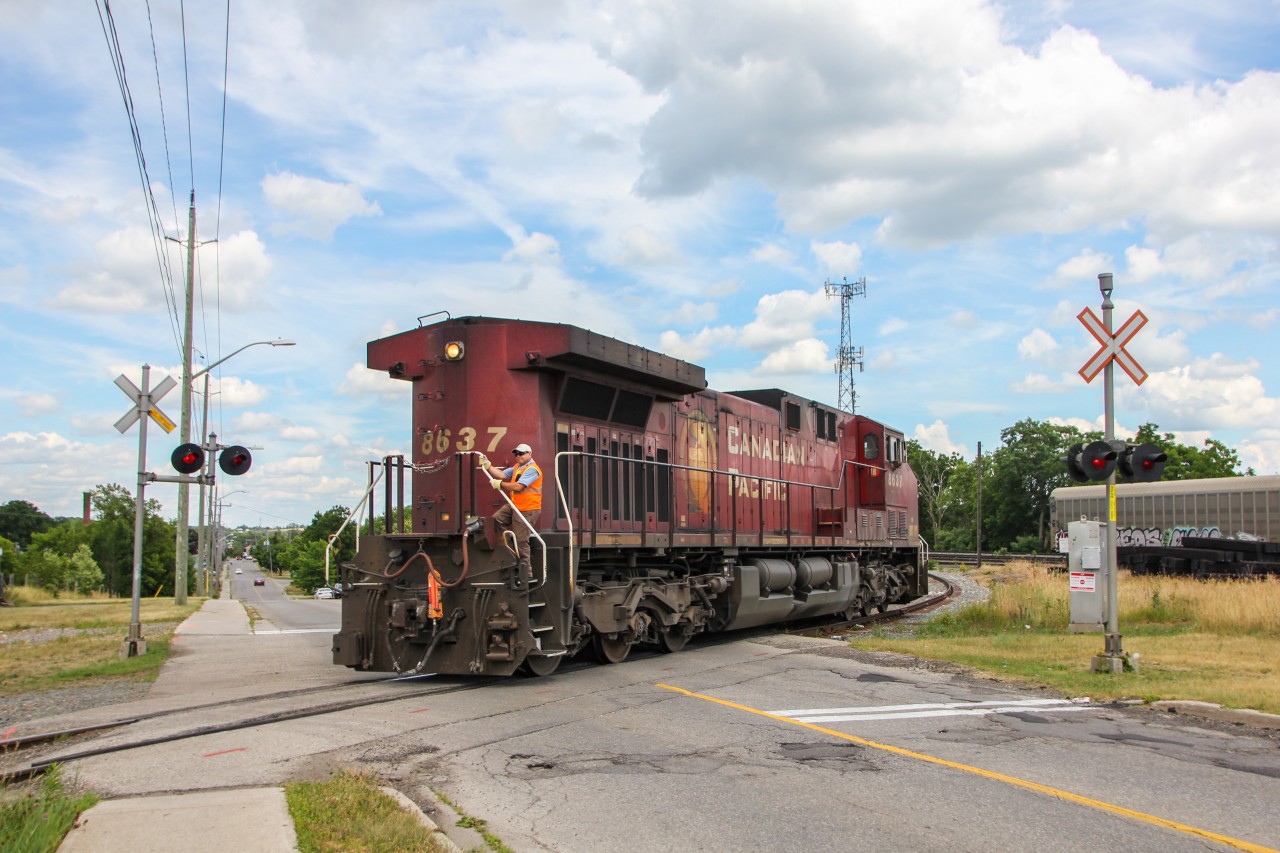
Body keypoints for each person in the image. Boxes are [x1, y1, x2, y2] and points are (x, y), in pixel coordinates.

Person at [477, 442, 543, 582]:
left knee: (521, 541)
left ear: (529, 454)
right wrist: (488, 466)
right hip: (515, 506)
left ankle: (526, 574)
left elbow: (518, 487)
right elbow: (501, 474)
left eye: (521, 453)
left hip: (528, 509)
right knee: (495, 521)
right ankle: (507, 549)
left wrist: (500, 484)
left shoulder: (533, 470)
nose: (518, 456)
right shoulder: (517, 467)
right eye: (516, 454)